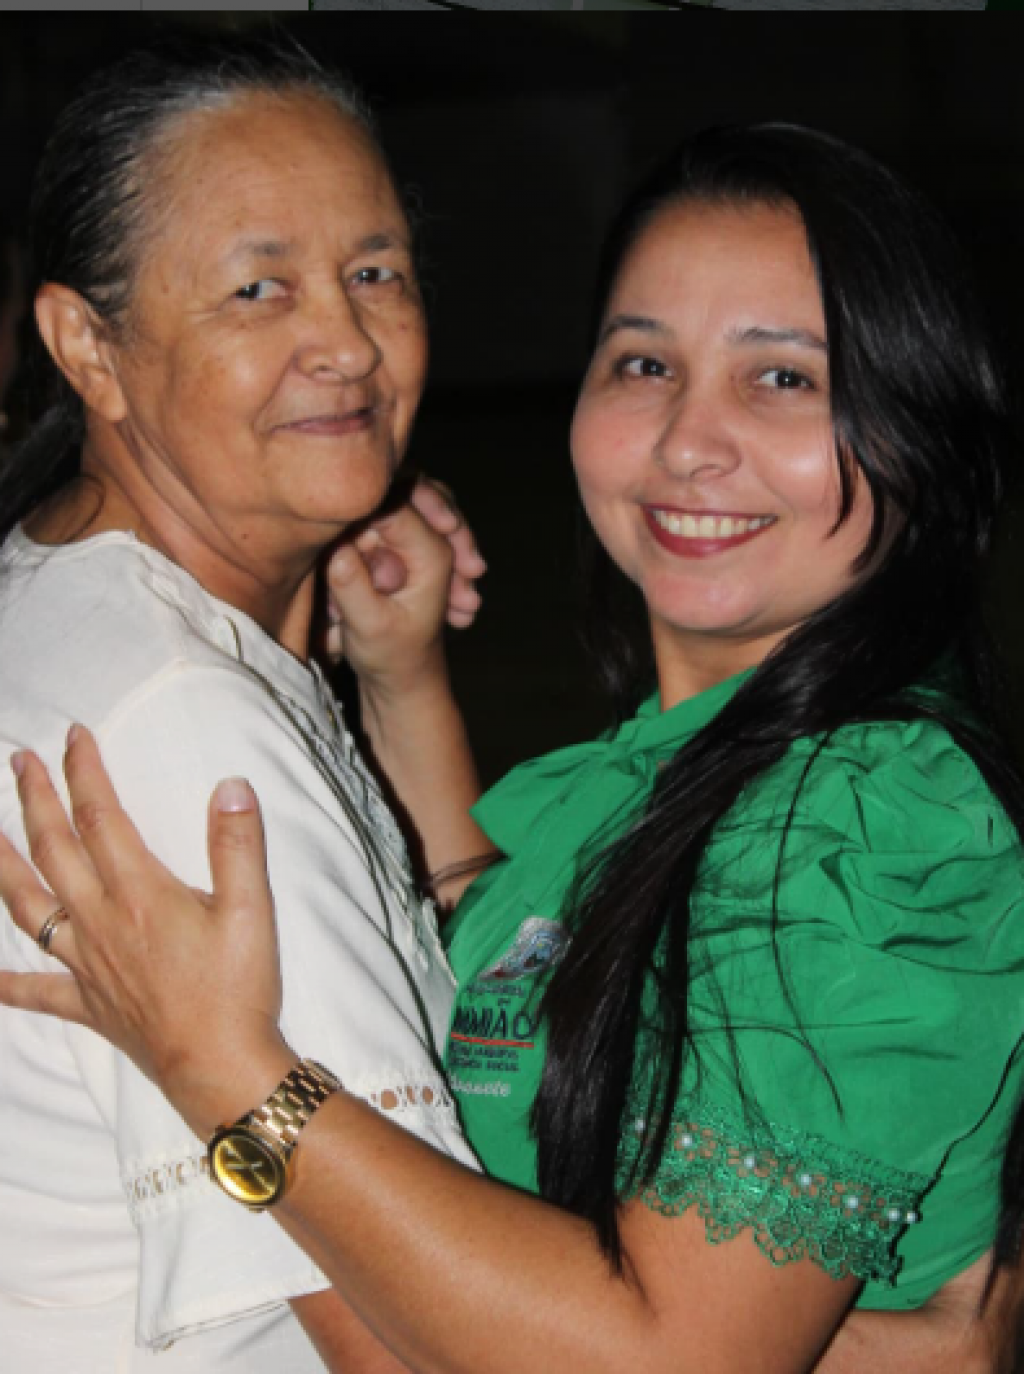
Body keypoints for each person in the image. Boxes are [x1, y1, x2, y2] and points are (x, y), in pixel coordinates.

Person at [1, 122, 1021, 1373]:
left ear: (920, 424)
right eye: (643, 363)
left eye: (782, 379)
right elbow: (529, 969)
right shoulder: (682, 760)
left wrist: (227, 1073)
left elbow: (664, 1362)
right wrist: (403, 682)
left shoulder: (870, 831)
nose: (687, 441)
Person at [0, 39, 491, 1372]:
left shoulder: (67, 591)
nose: (347, 343)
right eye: (257, 289)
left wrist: (390, 678)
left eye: (375, 273)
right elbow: (415, 1343)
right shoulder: (185, 736)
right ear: (88, 347)